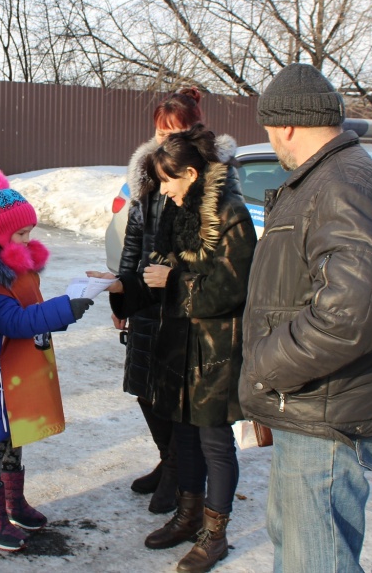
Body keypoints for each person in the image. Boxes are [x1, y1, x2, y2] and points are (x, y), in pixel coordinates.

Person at [239, 63, 372, 573]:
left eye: (269, 130)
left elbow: (352, 313)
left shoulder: (341, 184)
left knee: (316, 560)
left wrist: (266, 363)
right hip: (313, 404)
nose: (271, 141)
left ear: (287, 125)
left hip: (327, 415)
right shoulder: (327, 177)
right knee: (294, 545)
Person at [102, 125, 256, 573]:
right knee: (185, 433)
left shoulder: (230, 215)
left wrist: (174, 282)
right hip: (179, 344)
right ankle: (187, 516)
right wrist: (122, 285)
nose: (162, 191)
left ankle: (215, 532)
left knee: (214, 441)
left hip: (215, 348)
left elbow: (233, 287)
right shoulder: (178, 209)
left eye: (167, 181)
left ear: (190, 173)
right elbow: (158, 272)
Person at [0, 169, 93, 552]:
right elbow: (13, 320)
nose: (29, 240)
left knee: (15, 438)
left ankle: (11, 502)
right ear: (2, 233)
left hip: (18, 374)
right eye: (22, 234)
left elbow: (27, 304)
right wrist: (64, 309)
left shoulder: (16, 265)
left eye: (29, 233)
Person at [106, 87, 211, 514]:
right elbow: (133, 239)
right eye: (161, 130)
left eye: (176, 130)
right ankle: (166, 459)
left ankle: (180, 474)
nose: (167, 138)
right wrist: (121, 302)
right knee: (143, 387)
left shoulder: (207, 173)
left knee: (172, 392)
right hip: (145, 295)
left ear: (193, 129)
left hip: (182, 301)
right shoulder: (147, 173)